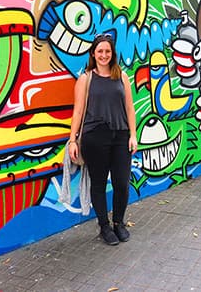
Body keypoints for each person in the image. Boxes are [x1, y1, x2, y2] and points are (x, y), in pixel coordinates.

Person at [67, 33, 137, 245]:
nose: (104, 55)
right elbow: (78, 112)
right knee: (97, 184)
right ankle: (104, 227)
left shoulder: (121, 77)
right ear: (93, 54)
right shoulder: (85, 79)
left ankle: (119, 223)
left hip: (121, 136)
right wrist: (72, 140)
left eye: (107, 51)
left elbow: (129, 108)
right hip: (94, 138)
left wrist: (133, 135)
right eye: (100, 51)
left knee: (122, 183)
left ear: (112, 54)